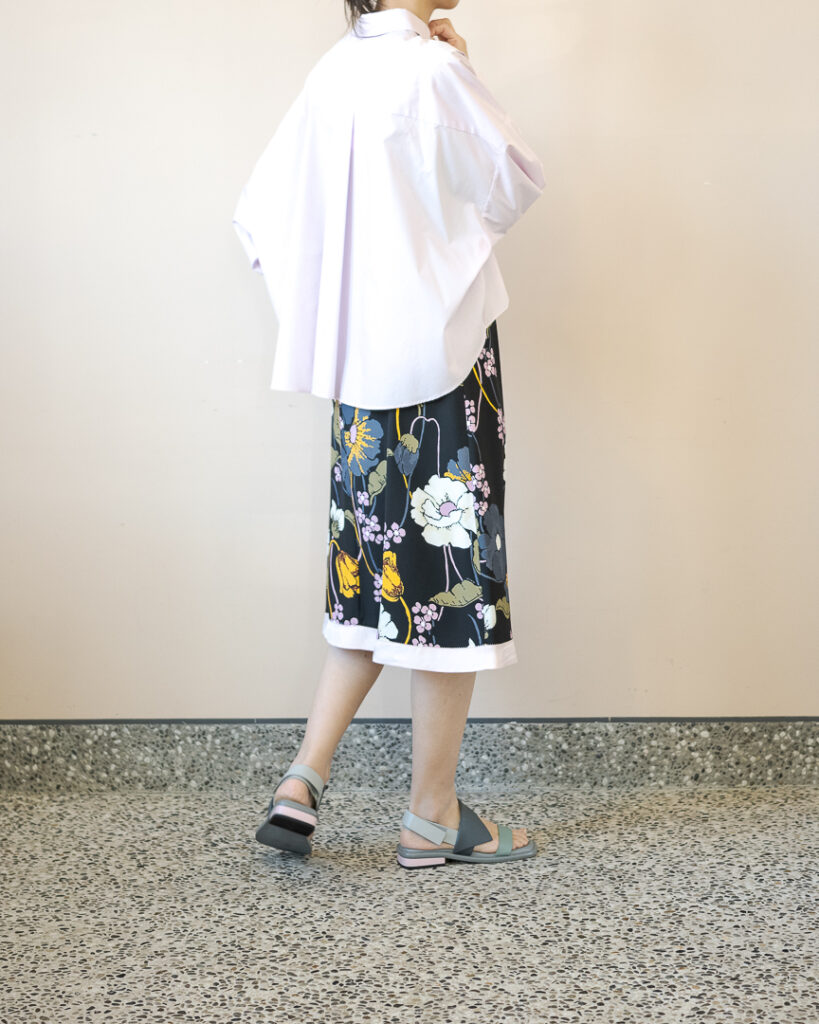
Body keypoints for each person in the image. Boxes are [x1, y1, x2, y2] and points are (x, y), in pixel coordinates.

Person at [232, 0, 545, 868]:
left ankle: (302, 779)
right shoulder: (433, 70)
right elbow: (513, 180)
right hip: (442, 365)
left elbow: (259, 217)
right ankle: (429, 818)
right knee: (448, 586)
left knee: (370, 581)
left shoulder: (334, 72)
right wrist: (462, 68)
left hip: (358, 378)